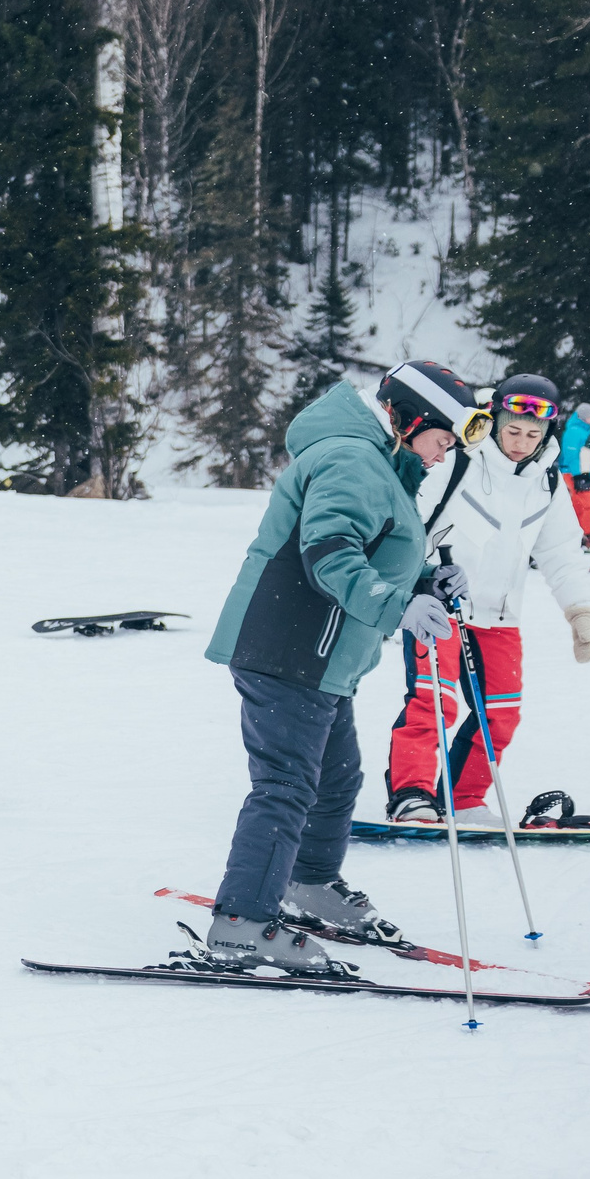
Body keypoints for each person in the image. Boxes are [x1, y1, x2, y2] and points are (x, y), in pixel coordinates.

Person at [200, 360, 485, 973]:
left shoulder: (379, 463)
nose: (441, 457)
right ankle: (241, 925)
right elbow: (329, 555)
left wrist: (428, 579)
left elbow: (377, 548)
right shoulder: (353, 460)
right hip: (290, 649)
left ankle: (309, 883)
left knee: (337, 781)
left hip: (323, 657)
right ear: (411, 420)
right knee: (285, 787)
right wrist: (398, 604)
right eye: (441, 441)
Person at [383, 373, 590, 824]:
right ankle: (413, 794)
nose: (522, 442)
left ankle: (463, 798)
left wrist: (580, 609)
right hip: (440, 604)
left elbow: (561, 555)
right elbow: (408, 526)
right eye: (513, 430)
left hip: (500, 617)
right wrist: (415, 582)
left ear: (548, 433)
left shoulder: (548, 485)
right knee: (432, 702)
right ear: (495, 422)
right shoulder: (456, 463)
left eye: (533, 434)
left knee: (499, 716)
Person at [558, 401, 590, 546]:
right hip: (572, 473)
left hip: (583, 473)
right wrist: (579, 475)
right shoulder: (574, 431)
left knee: (580, 504)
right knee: (589, 503)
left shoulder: (586, 431)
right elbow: (572, 455)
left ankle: (582, 532)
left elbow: (587, 457)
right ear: (583, 417)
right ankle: (588, 533)